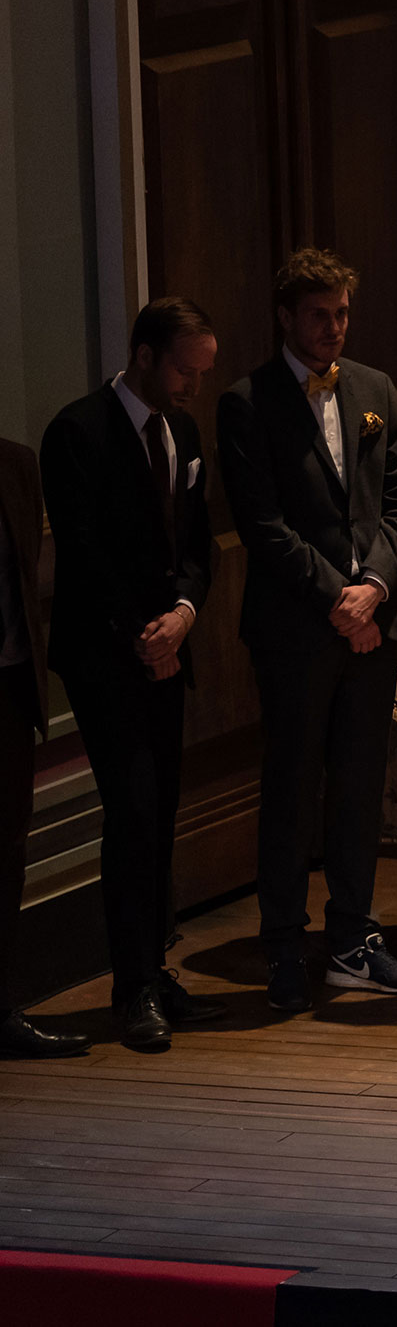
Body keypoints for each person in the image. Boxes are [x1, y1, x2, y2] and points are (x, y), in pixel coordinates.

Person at [218, 250, 397, 1012]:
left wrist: (373, 591)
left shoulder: (375, 389)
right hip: (297, 628)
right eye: (318, 314)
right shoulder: (247, 401)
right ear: (286, 316)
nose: (333, 327)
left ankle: (353, 940)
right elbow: (263, 523)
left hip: (374, 619)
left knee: (359, 787)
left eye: (341, 313)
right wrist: (340, 598)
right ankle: (283, 944)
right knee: (291, 789)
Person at [40, 299, 228, 1051]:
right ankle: (132, 988)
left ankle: (155, 966)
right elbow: (85, 555)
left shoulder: (182, 432)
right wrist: (142, 635)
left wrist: (183, 612)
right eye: (185, 370)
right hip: (105, 654)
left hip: (166, 646)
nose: (193, 387)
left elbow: (197, 543)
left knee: (163, 810)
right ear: (145, 356)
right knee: (133, 811)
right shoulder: (77, 432)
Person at [0, 433, 84, 1057]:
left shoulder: (15, 463)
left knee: (7, 851)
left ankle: (0, 1009)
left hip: (8, 690)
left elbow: (25, 575)